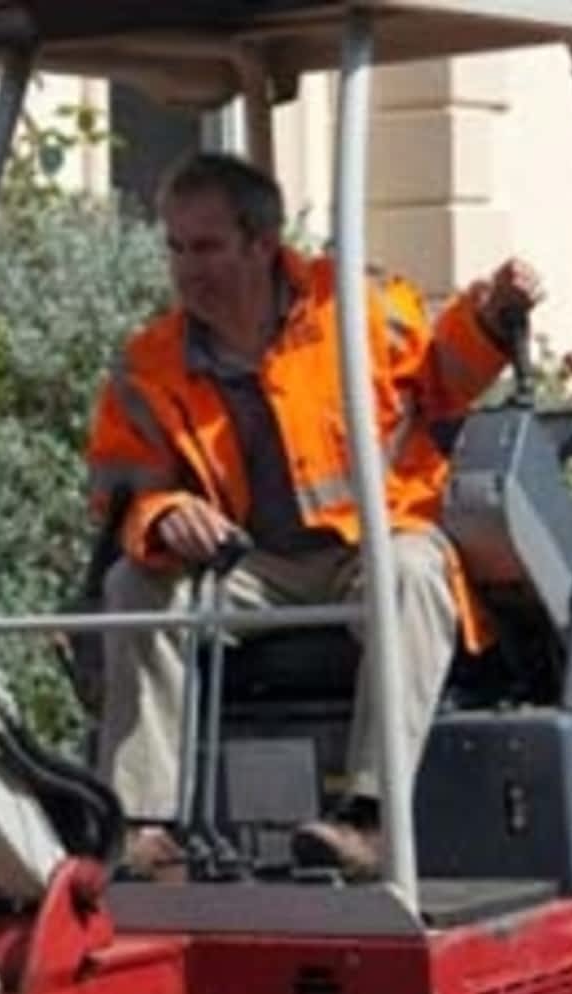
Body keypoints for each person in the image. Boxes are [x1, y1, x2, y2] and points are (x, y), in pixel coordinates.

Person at [85, 151, 543, 882]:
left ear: (262, 244)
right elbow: (118, 495)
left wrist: (487, 321)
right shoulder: (150, 364)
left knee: (412, 570)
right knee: (133, 589)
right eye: (174, 247)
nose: (185, 267)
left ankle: (368, 819)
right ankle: (143, 824)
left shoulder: (357, 309)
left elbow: (442, 378)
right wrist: (164, 512)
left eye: (204, 246)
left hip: (369, 544)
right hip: (250, 569)